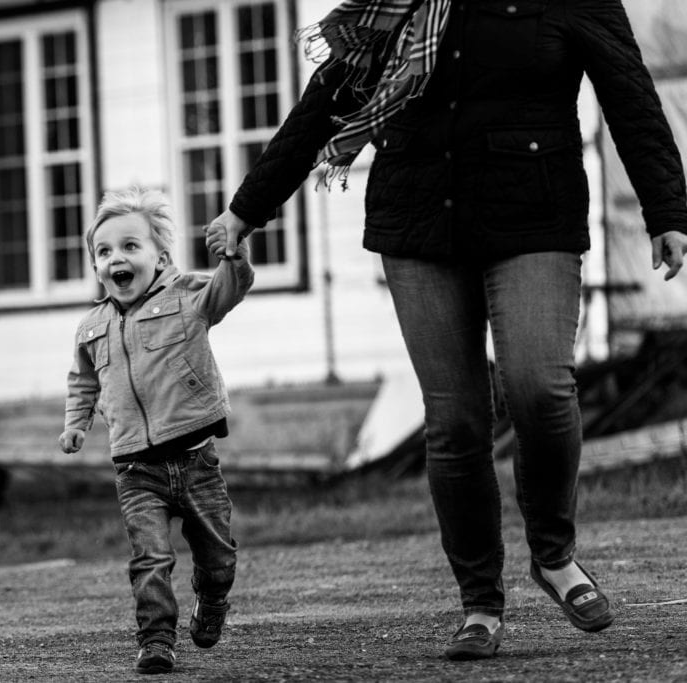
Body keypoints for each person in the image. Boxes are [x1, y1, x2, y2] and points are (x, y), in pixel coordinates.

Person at [205, 0, 687, 661]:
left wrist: (667, 209)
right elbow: (325, 103)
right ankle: (480, 601)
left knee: (539, 387)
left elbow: (629, 93)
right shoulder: (390, 3)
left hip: (534, 218)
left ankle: (553, 552)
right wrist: (246, 209)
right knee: (455, 420)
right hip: (418, 222)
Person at [60, 187, 254, 674]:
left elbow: (231, 287)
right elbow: (83, 381)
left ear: (160, 256)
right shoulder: (91, 327)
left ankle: (211, 601)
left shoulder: (188, 297)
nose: (115, 259)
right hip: (135, 468)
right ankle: (156, 640)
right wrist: (76, 425)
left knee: (219, 557)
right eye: (103, 252)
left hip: (195, 459)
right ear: (96, 267)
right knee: (150, 559)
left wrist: (234, 253)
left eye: (130, 246)